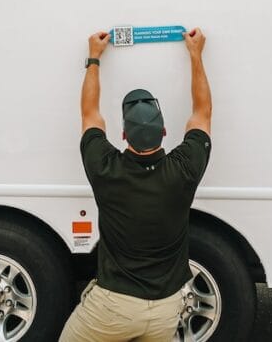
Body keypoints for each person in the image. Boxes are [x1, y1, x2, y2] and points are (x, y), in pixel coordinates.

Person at [59, 27, 212, 342]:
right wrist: (195, 55)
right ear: (165, 131)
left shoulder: (105, 169)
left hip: (114, 307)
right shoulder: (184, 169)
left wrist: (94, 58)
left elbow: (90, 115)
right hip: (167, 308)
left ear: (124, 134)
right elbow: (202, 114)